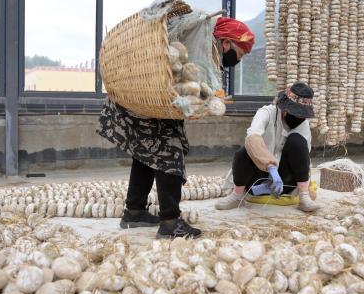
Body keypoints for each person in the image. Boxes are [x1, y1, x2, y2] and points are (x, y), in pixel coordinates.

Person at [97, 16, 255, 238]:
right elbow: (177, 77)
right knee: (169, 152)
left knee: (146, 153)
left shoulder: (199, 47)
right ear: (227, 43)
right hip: (147, 100)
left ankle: (134, 212)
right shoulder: (192, 43)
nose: (238, 59)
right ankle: (170, 223)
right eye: (240, 53)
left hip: (143, 103)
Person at [214, 82, 320, 212]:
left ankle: (304, 197)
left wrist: (305, 186)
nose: (298, 117)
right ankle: (237, 196)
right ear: (285, 107)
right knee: (243, 152)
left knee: (297, 141)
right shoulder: (266, 113)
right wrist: (270, 166)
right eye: (295, 113)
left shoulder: (303, 125)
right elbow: (253, 137)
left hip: (286, 182)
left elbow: (303, 158)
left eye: (301, 114)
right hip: (258, 179)